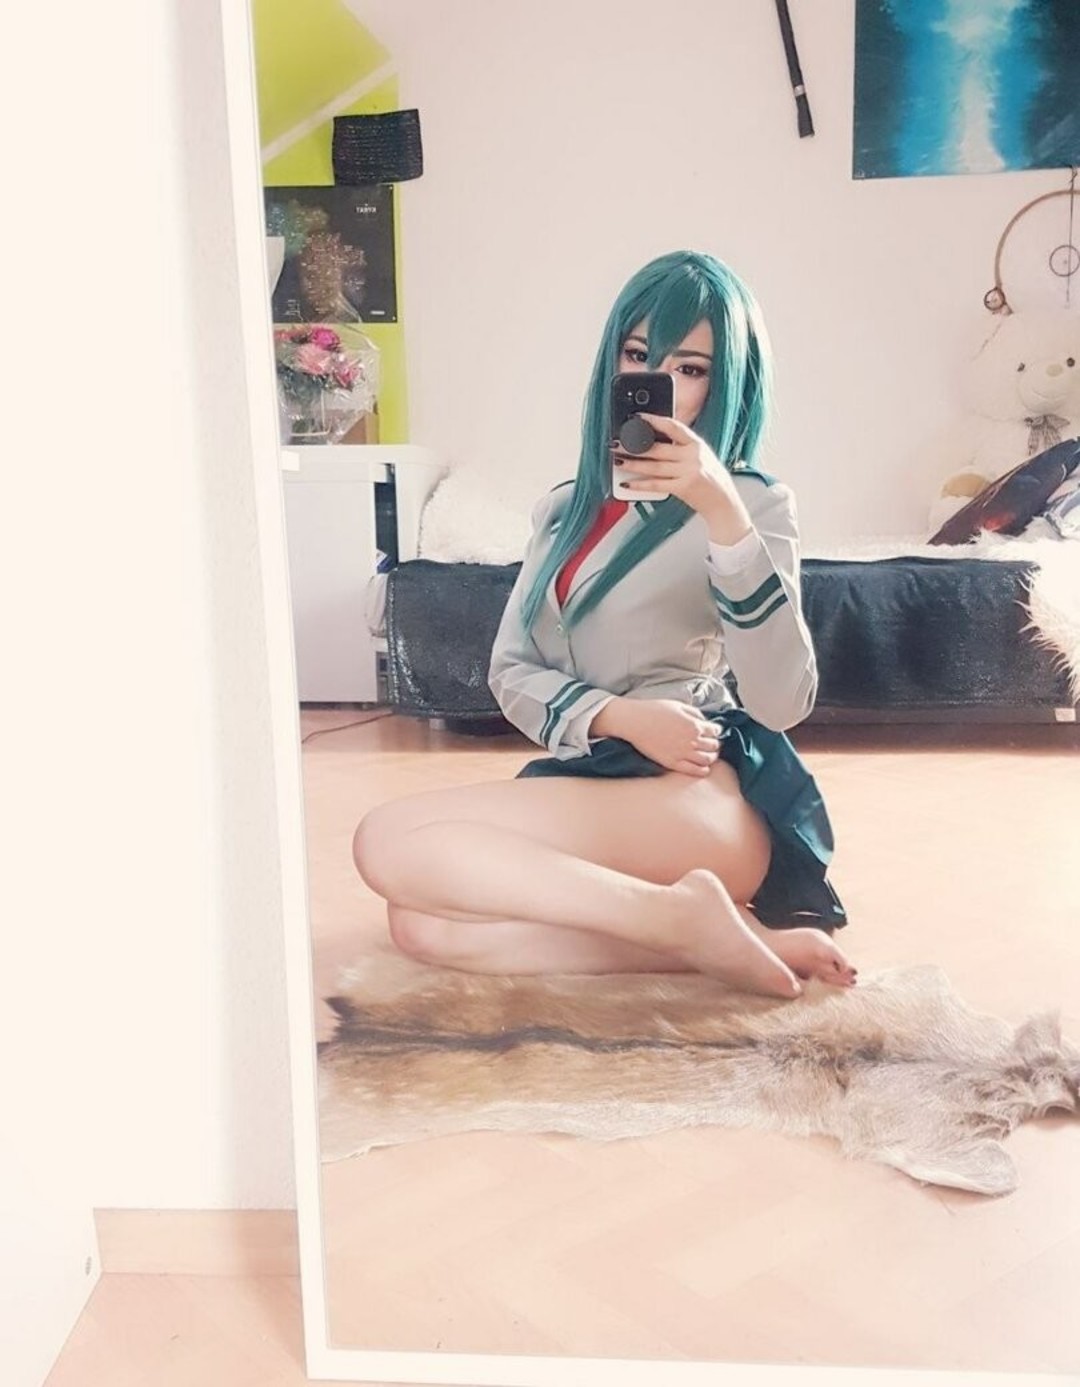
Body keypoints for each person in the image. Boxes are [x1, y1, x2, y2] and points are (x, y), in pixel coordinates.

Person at [353, 250, 855, 999]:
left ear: (726, 384)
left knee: (385, 840)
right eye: (637, 356)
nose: (657, 383)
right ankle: (710, 931)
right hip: (603, 773)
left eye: (690, 368)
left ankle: (684, 914)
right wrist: (619, 716)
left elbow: (784, 701)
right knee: (423, 925)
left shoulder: (751, 501)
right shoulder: (564, 510)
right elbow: (511, 671)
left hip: (700, 789)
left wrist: (722, 512)